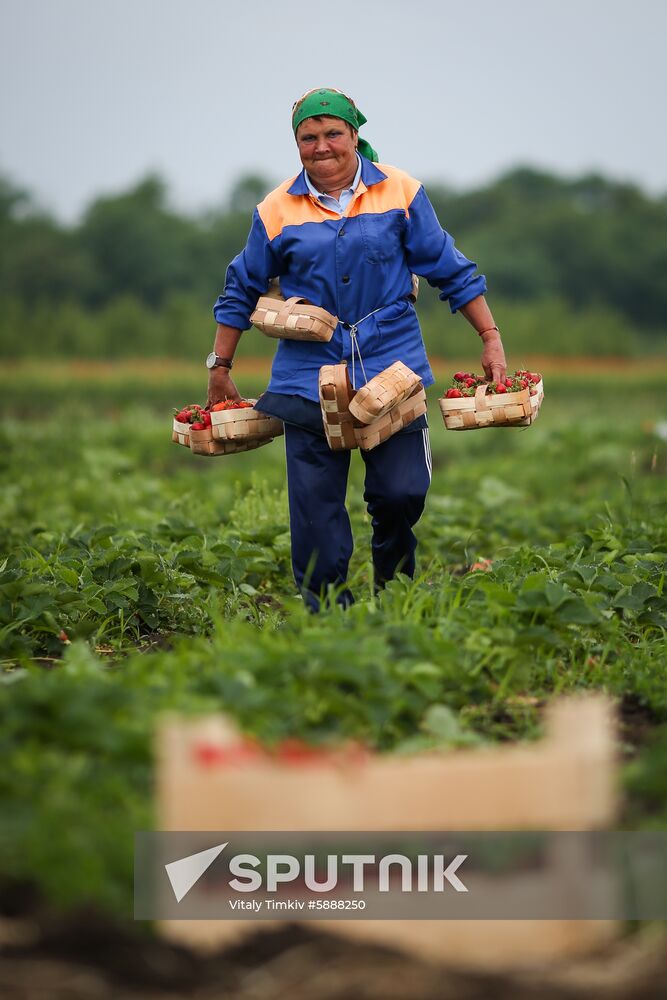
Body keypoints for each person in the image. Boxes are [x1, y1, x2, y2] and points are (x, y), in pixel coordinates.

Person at [208, 88, 507, 612]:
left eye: (332, 134)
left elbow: (449, 268)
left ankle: (395, 594)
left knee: (401, 492)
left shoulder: (400, 192)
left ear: (354, 136)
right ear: (296, 144)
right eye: (308, 137)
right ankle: (330, 620)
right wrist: (221, 365)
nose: (321, 147)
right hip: (307, 376)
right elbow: (241, 288)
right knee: (316, 510)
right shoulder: (275, 210)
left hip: (393, 368)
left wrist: (490, 337)